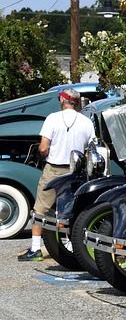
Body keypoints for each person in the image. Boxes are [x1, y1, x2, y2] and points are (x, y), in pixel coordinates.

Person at [19, 89, 96, 261]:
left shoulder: (52, 118)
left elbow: (44, 147)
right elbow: (90, 149)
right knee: (69, 210)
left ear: (62, 100)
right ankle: (72, 248)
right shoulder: (86, 122)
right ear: (77, 102)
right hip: (75, 171)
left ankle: (35, 249)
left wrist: (42, 153)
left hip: (54, 169)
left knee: (40, 208)